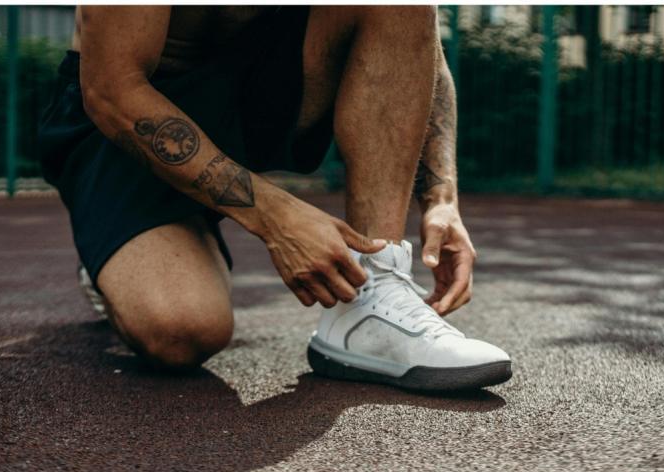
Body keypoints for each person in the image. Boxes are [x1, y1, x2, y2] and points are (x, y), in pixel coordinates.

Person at [38, 6, 511, 391]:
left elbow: (418, 36)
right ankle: (117, 259)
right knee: (180, 332)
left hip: (255, 87)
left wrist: (441, 198)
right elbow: (111, 91)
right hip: (130, 116)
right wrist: (275, 215)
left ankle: (373, 295)